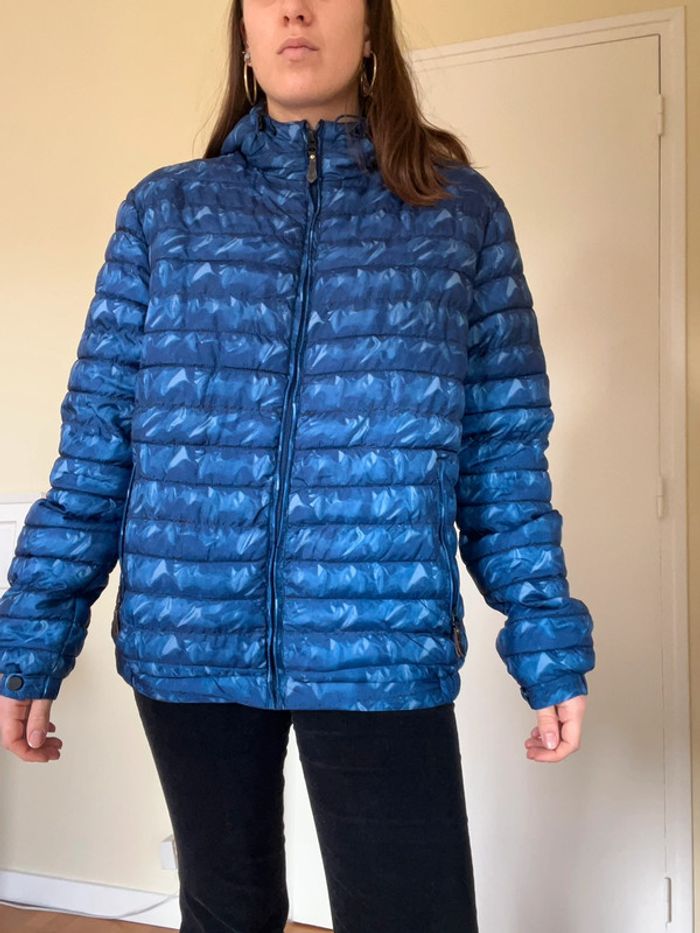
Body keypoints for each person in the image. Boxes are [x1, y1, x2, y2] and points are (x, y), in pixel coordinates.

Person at [0, 1, 596, 930]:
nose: (295, 9)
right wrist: (33, 637)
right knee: (226, 913)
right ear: (243, 31)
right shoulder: (166, 213)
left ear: (373, 26)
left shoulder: (456, 215)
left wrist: (546, 639)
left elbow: (501, 454)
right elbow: (96, 449)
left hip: (380, 638)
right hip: (189, 635)